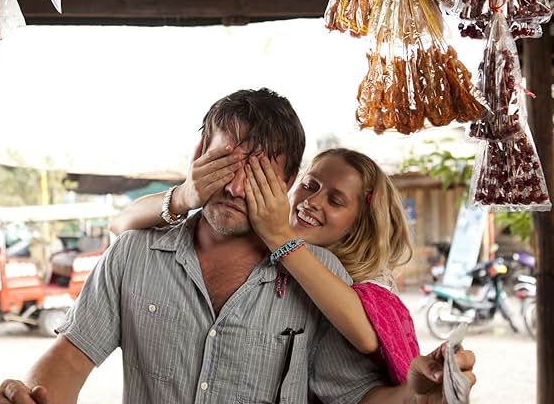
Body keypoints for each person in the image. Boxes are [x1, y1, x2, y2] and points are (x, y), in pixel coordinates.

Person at [0, 88, 476, 404]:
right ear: (198, 156)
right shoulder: (134, 254)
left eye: (260, 174)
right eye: (223, 164)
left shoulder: (316, 274)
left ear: (285, 182)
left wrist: (413, 401)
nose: (237, 187)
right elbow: (70, 359)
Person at [111, 147, 421, 390]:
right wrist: (183, 196)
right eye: (310, 185)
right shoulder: (262, 248)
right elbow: (121, 223)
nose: (312, 201)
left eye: (335, 201)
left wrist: (281, 240)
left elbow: (366, 336)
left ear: (359, 224)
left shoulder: (369, 282)